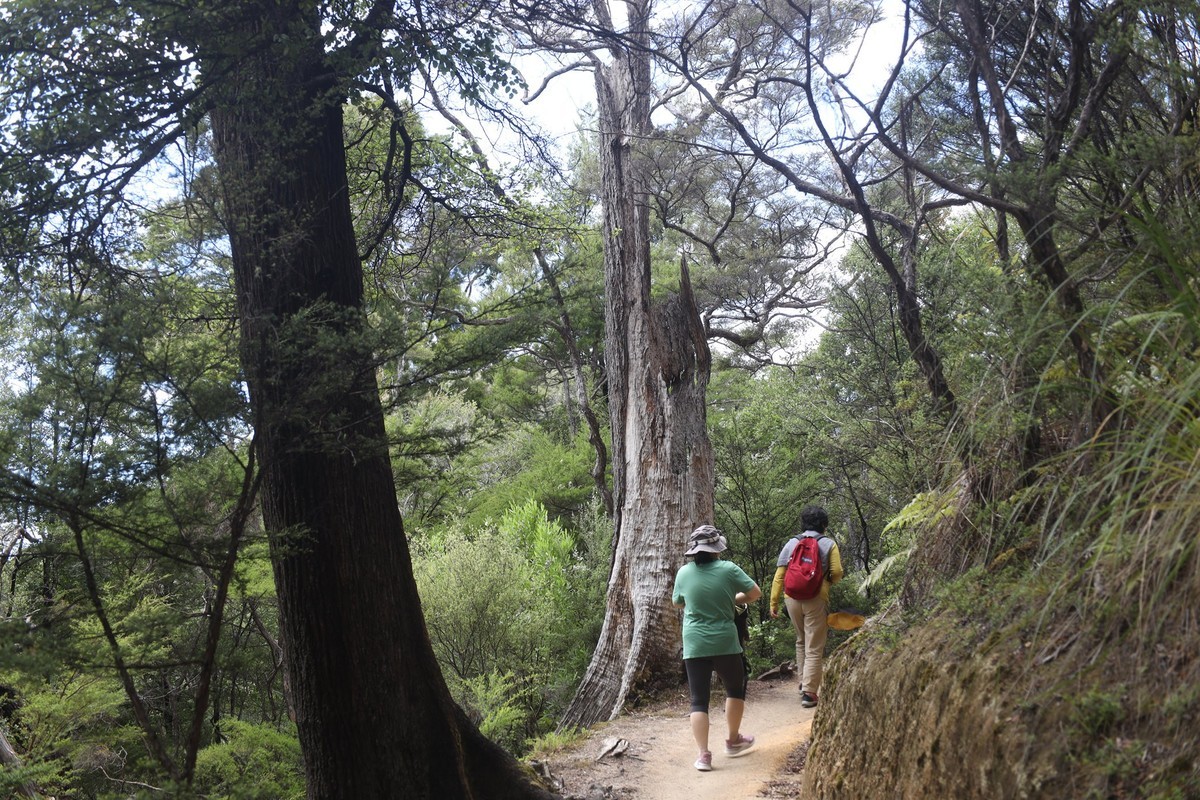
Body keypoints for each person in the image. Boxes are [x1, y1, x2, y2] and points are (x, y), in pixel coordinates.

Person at [671, 525, 763, 772]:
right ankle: (733, 740)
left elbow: (678, 602)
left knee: (698, 700)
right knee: (735, 689)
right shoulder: (729, 569)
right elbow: (755, 593)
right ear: (716, 549)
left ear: (695, 551)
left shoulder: (683, 573)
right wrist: (732, 600)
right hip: (725, 641)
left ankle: (703, 756)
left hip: (695, 642)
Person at [769, 505, 843, 709]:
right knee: (814, 646)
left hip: (791, 598)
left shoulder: (792, 543)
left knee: (801, 641)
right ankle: (810, 693)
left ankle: (803, 683)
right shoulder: (829, 544)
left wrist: (773, 602)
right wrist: (825, 582)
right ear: (824, 525)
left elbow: (779, 576)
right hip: (816, 598)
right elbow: (836, 572)